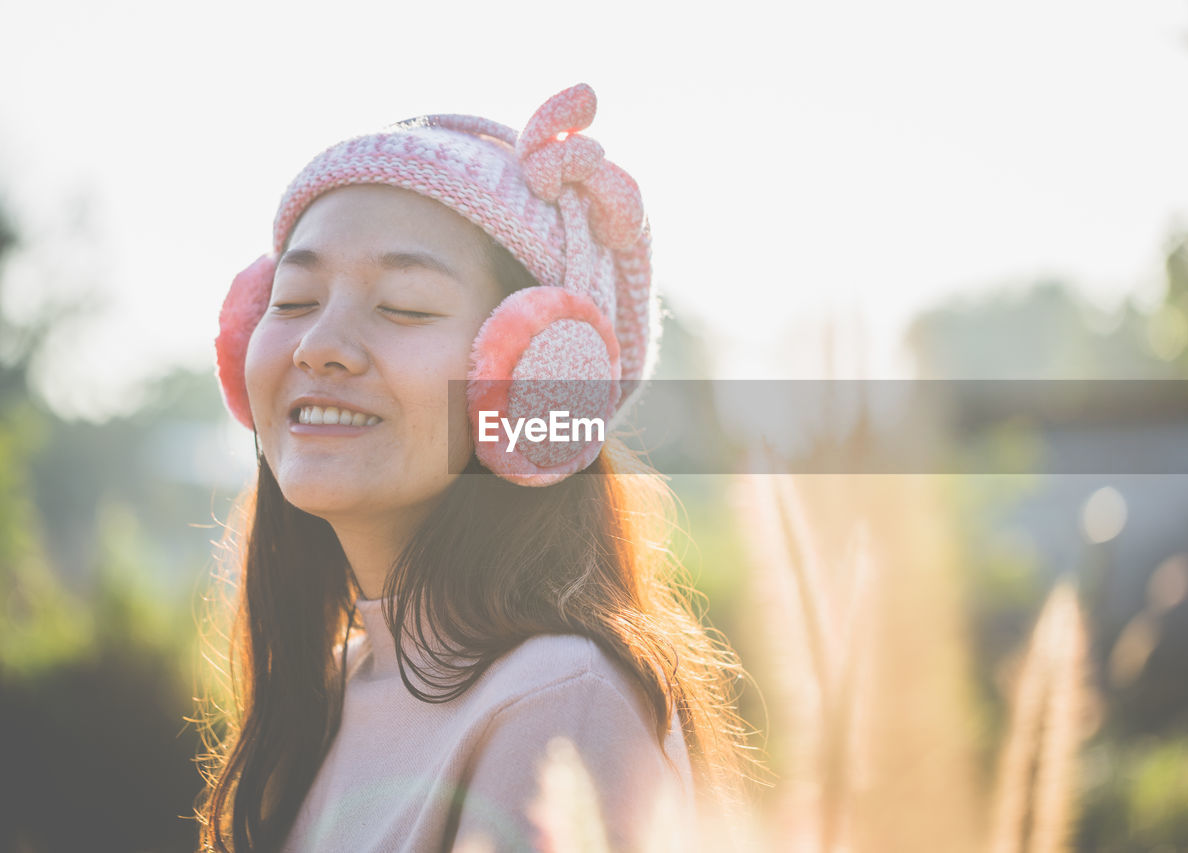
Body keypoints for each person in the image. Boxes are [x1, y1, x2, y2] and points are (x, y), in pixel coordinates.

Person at [198, 84, 764, 853]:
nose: (319, 344)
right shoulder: (331, 691)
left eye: (403, 306)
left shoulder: (560, 700)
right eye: (294, 299)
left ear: (534, 376)